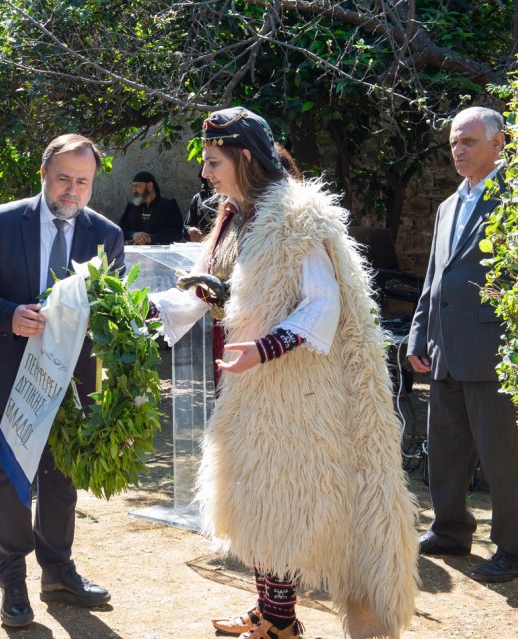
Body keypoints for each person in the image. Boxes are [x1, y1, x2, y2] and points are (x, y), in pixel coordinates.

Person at [149, 108, 418, 639]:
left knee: (287, 498)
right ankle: (274, 614)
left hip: (299, 392)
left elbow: (323, 305)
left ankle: (283, 621)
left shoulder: (297, 215)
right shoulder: (237, 217)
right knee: (256, 497)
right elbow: (205, 292)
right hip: (249, 385)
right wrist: (141, 311)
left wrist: (264, 349)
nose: (205, 172)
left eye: (214, 161)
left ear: (245, 158)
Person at [0, 134, 124, 628]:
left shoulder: (107, 234)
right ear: (44, 174)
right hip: (12, 377)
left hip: (72, 381)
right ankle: (12, 581)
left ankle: (58, 572)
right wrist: (9, 314)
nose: (72, 190)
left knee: (61, 478)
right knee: (13, 481)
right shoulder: (4, 221)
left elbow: (112, 306)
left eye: (83, 181)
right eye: (64, 178)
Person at [408, 106, 518, 583]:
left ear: (498, 143)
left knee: (503, 457)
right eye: (454, 141)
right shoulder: (448, 206)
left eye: (468, 141)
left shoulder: (513, 199)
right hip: (444, 349)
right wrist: (418, 334)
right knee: (445, 451)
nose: (458, 149)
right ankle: (450, 530)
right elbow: (433, 279)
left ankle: (513, 548)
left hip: (493, 350)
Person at [117, 170, 182, 245]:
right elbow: (119, 231)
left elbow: (177, 234)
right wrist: (133, 235)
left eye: (137, 186)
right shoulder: (131, 208)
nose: (134, 190)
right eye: (133, 186)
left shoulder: (169, 206)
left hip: (160, 251)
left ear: (150, 186)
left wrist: (151, 238)